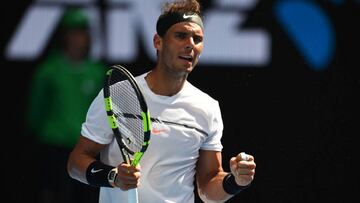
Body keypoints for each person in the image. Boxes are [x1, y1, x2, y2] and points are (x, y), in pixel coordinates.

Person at [67, 0, 256, 202]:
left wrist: (234, 181)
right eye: (181, 35)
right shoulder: (118, 96)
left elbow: (208, 188)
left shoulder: (207, 108)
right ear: (158, 42)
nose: (190, 44)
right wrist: (112, 176)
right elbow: (76, 163)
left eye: (197, 38)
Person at [26, 7, 106, 203]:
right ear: (65, 36)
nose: (79, 38)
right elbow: (35, 113)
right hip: (54, 151)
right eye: (74, 32)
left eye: (83, 32)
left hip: (87, 150)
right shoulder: (48, 72)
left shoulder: (97, 73)